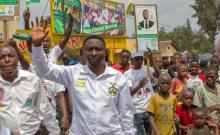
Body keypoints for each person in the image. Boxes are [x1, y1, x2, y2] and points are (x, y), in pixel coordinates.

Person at [30, 18, 135, 134]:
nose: (94, 53)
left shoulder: (118, 77)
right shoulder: (72, 73)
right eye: (89, 49)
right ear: (83, 53)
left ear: (105, 52)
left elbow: (126, 114)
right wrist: (37, 46)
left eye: (98, 49)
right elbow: (44, 70)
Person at [0, 46, 60, 135]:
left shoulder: (31, 79)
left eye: (11, 56)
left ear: (17, 58)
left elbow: (46, 109)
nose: (7, 60)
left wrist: (54, 132)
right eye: (2, 57)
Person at [124, 52, 154, 135]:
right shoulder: (128, 74)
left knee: (151, 132)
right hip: (137, 110)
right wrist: (139, 85)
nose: (139, 61)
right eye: (136, 59)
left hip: (149, 109)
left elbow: (158, 75)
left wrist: (151, 59)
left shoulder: (147, 69)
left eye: (141, 59)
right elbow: (129, 93)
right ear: (132, 61)